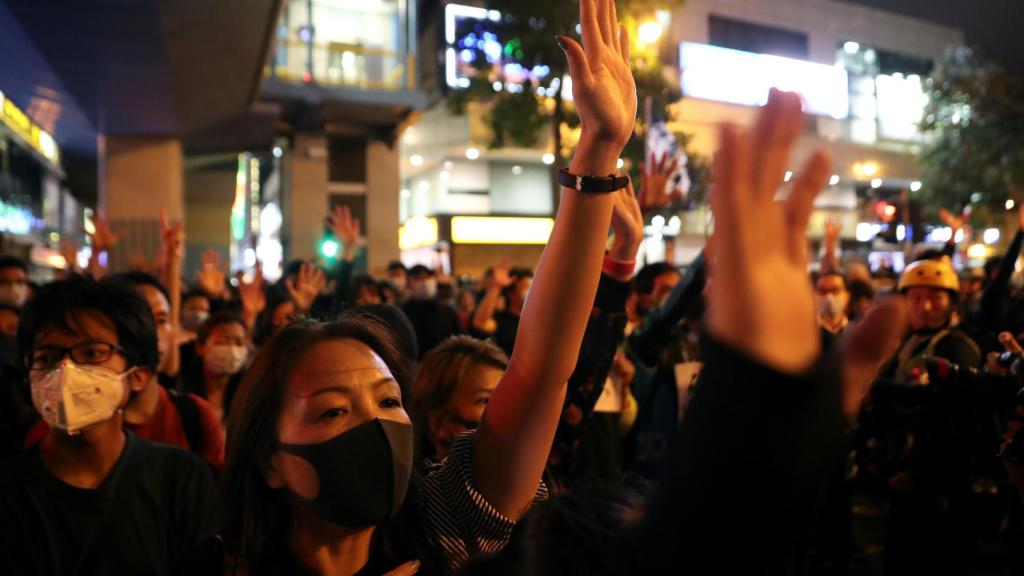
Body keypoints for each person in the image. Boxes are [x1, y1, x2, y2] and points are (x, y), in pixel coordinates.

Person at [179, 7, 638, 572]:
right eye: (332, 413)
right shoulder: (215, 566)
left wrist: (597, 151)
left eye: (389, 401)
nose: (374, 426)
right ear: (270, 458)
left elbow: (539, 369)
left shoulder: (444, 522)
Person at [0, 275, 218, 574]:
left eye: (92, 353)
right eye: (47, 357)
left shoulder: (181, 480)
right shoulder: (9, 493)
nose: (66, 370)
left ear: (138, 374)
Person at [185, 312, 250, 426]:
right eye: (222, 342)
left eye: (239, 343)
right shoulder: (184, 387)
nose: (232, 349)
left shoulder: (248, 392)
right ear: (200, 348)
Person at [471, 265, 532, 356]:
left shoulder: (536, 321)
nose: (531, 292)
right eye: (526, 287)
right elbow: (480, 323)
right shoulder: (502, 320)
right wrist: (496, 286)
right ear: (511, 293)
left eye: (533, 287)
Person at [402, 264, 461, 358]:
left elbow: (458, 340)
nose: (424, 283)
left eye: (427, 278)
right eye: (418, 279)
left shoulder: (447, 311)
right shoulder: (402, 312)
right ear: (408, 283)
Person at [815, 270, 850, 337]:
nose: (829, 297)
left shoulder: (859, 333)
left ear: (847, 296)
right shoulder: (803, 333)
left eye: (835, 290)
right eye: (822, 291)